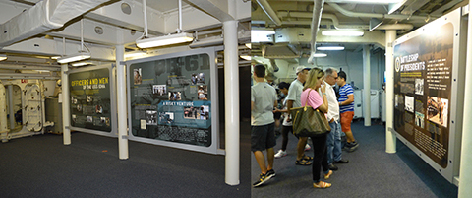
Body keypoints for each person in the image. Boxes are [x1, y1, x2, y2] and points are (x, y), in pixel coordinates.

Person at [301, 67, 332, 188]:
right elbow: (325, 108)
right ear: (316, 79)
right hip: (317, 127)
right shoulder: (312, 93)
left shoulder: (306, 92)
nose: (322, 83)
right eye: (321, 80)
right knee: (319, 154)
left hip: (313, 126)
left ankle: (326, 171)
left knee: (322, 150)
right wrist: (324, 93)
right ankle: (317, 181)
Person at [251, 64, 278, 187]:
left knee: (256, 148)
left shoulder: (254, 89)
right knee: (269, 145)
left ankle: (264, 172)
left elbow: (251, 107)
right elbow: (275, 104)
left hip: (258, 122)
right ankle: (270, 168)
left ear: (254, 74)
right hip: (269, 120)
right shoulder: (271, 88)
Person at [321, 68, 349, 171]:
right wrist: (330, 118)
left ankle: (337, 158)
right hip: (331, 119)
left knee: (337, 139)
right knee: (330, 142)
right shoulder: (322, 88)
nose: (336, 80)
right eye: (335, 78)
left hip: (335, 118)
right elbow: (322, 104)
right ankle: (329, 161)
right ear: (328, 77)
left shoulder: (331, 87)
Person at [287, 66, 313, 165]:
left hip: (303, 113)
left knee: (305, 137)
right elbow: (290, 100)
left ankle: (302, 155)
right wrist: (289, 115)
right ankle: (299, 158)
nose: (308, 75)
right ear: (299, 74)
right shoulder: (294, 85)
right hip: (298, 114)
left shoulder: (301, 85)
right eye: (306, 73)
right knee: (303, 138)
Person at [337, 71, 359, 152]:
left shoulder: (348, 87)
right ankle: (348, 142)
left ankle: (353, 142)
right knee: (346, 127)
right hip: (343, 111)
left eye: (338, 79)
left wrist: (340, 103)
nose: (336, 81)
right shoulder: (341, 88)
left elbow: (351, 99)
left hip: (347, 111)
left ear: (342, 79)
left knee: (346, 128)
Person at [273, 82, 292, 158]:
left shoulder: (289, 97)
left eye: (281, 90)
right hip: (288, 117)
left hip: (289, 117)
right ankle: (305, 144)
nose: (281, 92)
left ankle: (283, 150)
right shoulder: (288, 96)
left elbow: (289, 109)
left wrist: (279, 111)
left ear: (284, 89)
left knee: (284, 134)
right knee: (294, 132)